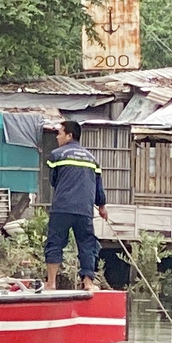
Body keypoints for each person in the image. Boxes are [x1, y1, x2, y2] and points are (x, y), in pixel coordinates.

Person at [43, 118, 109, 290]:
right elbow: (98, 187)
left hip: (62, 208)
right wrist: (101, 206)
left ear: (69, 135)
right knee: (87, 244)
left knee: (55, 242)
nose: (57, 137)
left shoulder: (57, 155)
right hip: (84, 210)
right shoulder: (92, 159)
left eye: (60, 133)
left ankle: (51, 283)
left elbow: (54, 181)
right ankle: (88, 283)